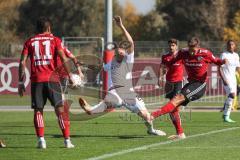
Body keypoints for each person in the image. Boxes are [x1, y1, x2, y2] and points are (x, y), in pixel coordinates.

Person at [78, 16, 166, 136]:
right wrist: (85, 65)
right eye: (118, 51)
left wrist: (121, 26)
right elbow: (100, 68)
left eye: (122, 51)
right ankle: (91, 110)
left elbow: (131, 42)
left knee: (147, 116)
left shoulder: (128, 60)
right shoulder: (112, 63)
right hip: (115, 92)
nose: (120, 52)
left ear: (125, 53)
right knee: (113, 100)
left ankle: (151, 130)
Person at [151, 37, 228, 139]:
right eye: (190, 49)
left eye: (194, 50)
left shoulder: (205, 53)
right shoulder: (184, 52)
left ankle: (152, 116)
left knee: (176, 99)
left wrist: (223, 61)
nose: (191, 53)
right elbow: (172, 61)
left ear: (198, 47)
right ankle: (180, 134)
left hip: (200, 85)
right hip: (190, 83)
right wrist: (165, 67)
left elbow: (217, 61)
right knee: (173, 108)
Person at [18, 17, 77, 149]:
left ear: (37, 29)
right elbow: (63, 58)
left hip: (37, 81)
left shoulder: (29, 42)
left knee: (38, 111)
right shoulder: (55, 40)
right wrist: (71, 75)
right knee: (60, 110)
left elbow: (22, 62)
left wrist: (21, 82)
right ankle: (67, 141)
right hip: (53, 80)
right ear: (49, 28)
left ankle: (41, 140)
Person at [159, 38, 184, 138]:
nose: (171, 47)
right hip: (169, 83)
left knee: (173, 106)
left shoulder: (181, 56)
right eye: (170, 45)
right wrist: (159, 77)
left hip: (178, 83)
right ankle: (178, 129)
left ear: (177, 46)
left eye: (173, 45)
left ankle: (180, 131)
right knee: (171, 108)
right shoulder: (165, 57)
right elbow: (162, 67)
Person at [219, 40, 240, 122]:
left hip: (233, 79)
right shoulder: (224, 55)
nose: (231, 46)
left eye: (232, 44)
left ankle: (226, 115)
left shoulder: (236, 55)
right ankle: (225, 115)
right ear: (227, 46)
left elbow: (238, 68)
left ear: (235, 46)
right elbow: (220, 67)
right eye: (229, 44)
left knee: (232, 97)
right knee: (232, 94)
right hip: (226, 78)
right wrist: (224, 79)